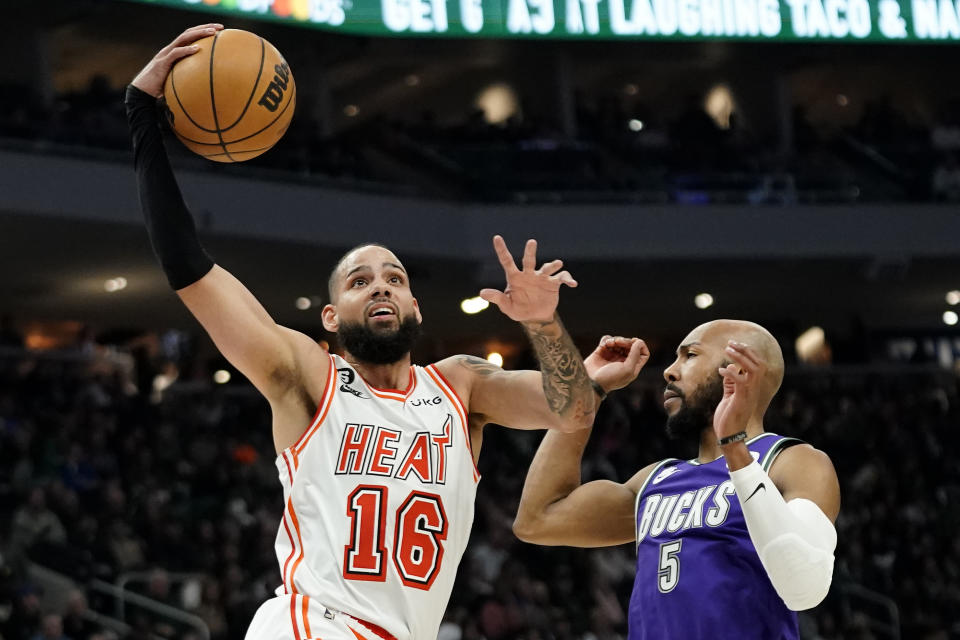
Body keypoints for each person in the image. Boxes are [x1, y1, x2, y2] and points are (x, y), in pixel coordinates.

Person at [125, 24, 602, 640]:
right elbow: (189, 266)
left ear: (416, 307)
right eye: (359, 281)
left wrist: (543, 323)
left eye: (395, 278)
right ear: (330, 319)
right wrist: (141, 116)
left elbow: (575, 409)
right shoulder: (308, 376)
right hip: (310, 625)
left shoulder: (461, 386)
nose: (380, 286)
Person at [513, 320, 841, 639]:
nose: (670, 370)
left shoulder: (792, 462)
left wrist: (736, 450)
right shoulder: (655, 480)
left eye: (690, 355)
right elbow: (537, 519)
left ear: (740, 370)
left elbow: (804, 588)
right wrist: (587, 391)